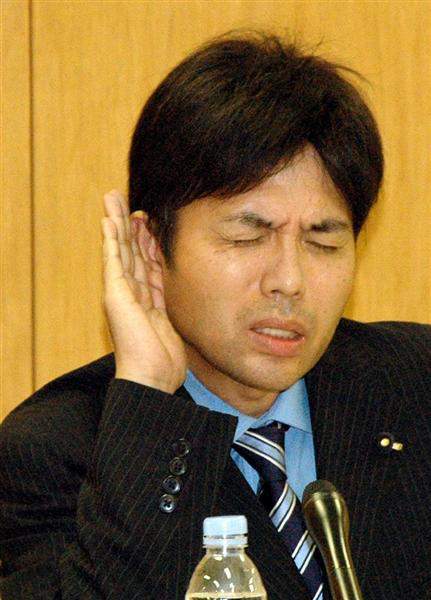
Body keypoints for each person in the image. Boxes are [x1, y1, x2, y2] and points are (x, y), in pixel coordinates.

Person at [0, 29, 430, 600]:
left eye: (323, 242)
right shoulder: (54, 451)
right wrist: (149, 397)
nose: (289, 281)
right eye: (247, 236)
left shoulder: (415, 386)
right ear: (151, 246)